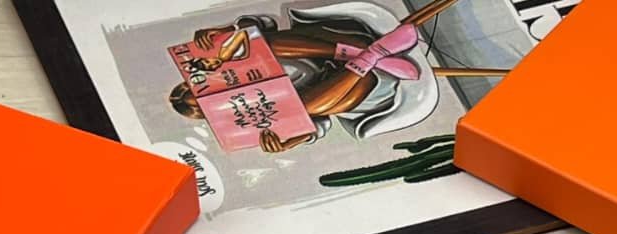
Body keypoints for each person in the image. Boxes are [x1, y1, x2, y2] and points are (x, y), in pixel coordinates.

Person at [169, 0, 465, 153]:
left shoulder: (215, 61)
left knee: (265, 43)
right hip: (357, 86)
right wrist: (289, 142)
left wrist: (224, 35)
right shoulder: (247, 120)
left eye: (198, 89)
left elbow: (263, 24)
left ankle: (362, 53)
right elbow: (319, 125)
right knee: (306, 109)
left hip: (335, 41)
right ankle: (370, 56)